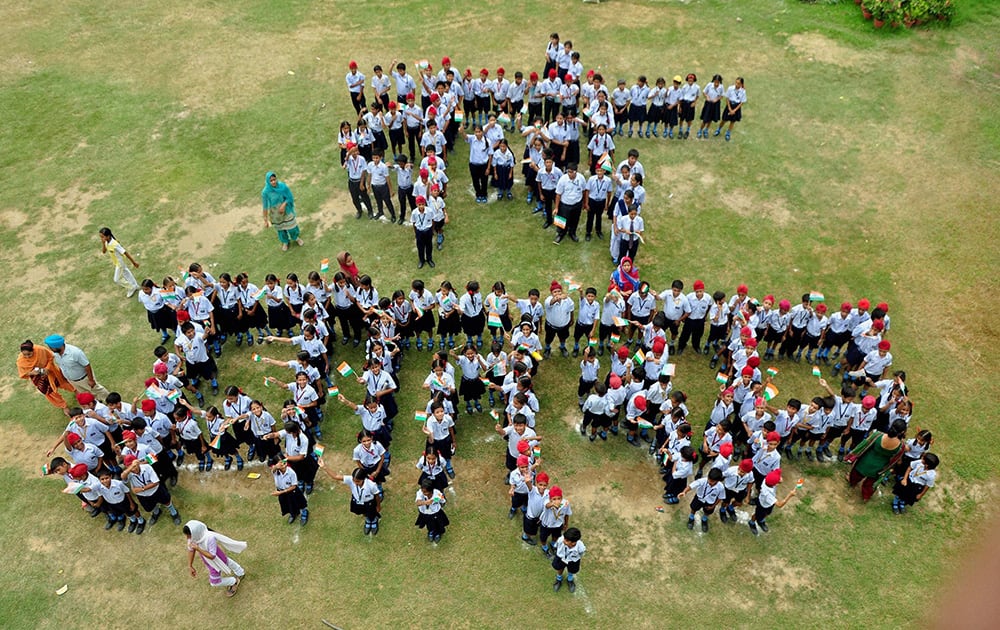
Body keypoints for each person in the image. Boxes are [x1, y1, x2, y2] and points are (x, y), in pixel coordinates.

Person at [848, 418, 907, 501]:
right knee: (870, 484)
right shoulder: (901, 447)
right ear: (902, 432)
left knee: (856, 474)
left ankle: (852, 483)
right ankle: (866, 496)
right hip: (879, 467)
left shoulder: (878, 435)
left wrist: (852, 455)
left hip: (865, 461)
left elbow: (864, 444)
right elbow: (895, 460)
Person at [183, 520, 247, 597]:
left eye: (189, 535)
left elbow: (212, 556)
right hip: (209, 560)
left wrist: (198, 549)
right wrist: (190, 566)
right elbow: (191, 550)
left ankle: (234, 581)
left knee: (214, 582)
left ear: (195, 532)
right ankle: (240, 572)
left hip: (215, 560)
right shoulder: (193, 538)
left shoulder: (210, 538)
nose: (188, 538)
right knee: (227, 562)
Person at [16, 339, 75, 414]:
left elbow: (51, 357)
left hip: (51, 371)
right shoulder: (20, 361)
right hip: (38, 378)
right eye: (25, 355)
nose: (27, 357)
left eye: (29, 354)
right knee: (49, 393)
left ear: (33, 350)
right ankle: (63, 406)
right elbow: (23, 374)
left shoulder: (40, 350)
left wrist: (47, 368)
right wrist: (32, 373)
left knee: (62, 382)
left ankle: (75, 390)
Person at [44, 334, 110, 399]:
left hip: (84, 379)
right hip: (72, 381)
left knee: (98, 391)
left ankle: (110, 401)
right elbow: (62, 366)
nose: (49, 348)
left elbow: (87, 365)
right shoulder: (55, 354)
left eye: (51, 347)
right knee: (86, 394)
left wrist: (91, 380)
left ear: (57, 346)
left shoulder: (75, 352)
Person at [261, 171, 303, 251]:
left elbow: (289, 197)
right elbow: (265, 206)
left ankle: (296, 238)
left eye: (274, 179)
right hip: (276, 213)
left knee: (292, 227)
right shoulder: (265, 192)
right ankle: (285, 242)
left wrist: (284, 205)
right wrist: (265, 220)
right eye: (271, 181)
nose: (273, 182)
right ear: (268, 181)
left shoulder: (282, 186)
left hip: (286, 210)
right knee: (281, 229)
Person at [748, 469, 797, 536]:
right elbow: (779, 505)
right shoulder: (768, 494)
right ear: (775, 484)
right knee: (757, 515)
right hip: (763, 505)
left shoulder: (766, 480)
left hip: (768, 504)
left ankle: (761, 521)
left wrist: (777, 478)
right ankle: (752, 522)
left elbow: (780, 480)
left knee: (768, 513)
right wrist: (790, 495)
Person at [678, 467, 726, 532]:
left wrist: (713, 506)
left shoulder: (721, 487)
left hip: (710, 502)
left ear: (717, 481)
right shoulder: (702, 481)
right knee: (693, 508)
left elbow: (720, 497)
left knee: (707, 511)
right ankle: (691, 517)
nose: (709, 481)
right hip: (699, 499)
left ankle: (704, 519)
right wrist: (684, 492)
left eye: (712, 481)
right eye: (709, 479)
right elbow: (691, 486)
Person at [98, 227, 140, 297]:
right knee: (126, 273)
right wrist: (103, 243)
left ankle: (131, 287)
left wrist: (134, 262)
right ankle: (135, 285)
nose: (101, 239)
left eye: (102, 237)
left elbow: (125, 252)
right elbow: (104, 251)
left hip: (120, 263)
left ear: (108, 236)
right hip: (117, 262)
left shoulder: (115, 244)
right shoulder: (106, 242)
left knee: (116, 279)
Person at [268, 456, 309, 525]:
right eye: (280, 463)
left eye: (284, 461)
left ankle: (304, 513)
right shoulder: (275, 471)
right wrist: (276, 466)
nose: (283, 464)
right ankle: (293, 514)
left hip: (292, 492)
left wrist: (282, 492)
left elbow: (294, 486)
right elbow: (272, 469)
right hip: (282, 492)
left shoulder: (291, 473)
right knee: (288, 505)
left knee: (299, 503)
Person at [551, 527, 586, 593]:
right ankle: (559, 579)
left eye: (567, 540)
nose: (564, 541)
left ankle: (570, 580)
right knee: (559, 568)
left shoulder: (580, 547)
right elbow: (556, 546)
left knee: (572, 570)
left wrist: (574, 558)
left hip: (573, 560)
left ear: (573, 542)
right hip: (561, 557)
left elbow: (581, 554)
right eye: (564, 538)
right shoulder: (561, 540)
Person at [415, 478, 450, 543]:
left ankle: (437, 533)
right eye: (423, 491)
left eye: (425, 492)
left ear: (431, 490)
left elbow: (442, 500)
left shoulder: (437, 493)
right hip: (425, 513)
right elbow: (418, 503)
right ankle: (431, 531)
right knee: (429, 524)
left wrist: (434, 500)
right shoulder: (420, 492)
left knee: (438, 524)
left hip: (435, 513)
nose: (423, 493)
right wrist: (425, 502)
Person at [716, 77, 746, 142]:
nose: (736, 84)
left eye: (738, 83)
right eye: (736, 82)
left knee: (732, 121)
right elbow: (727, 98)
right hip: (729, 106)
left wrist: (734, 110)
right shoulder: (730, 88)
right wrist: (729, 108)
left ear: (741, 84)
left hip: (736, 107)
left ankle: (728, 133)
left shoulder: (743, 91)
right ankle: (718, 129)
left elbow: (742, 102)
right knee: (724, 119)